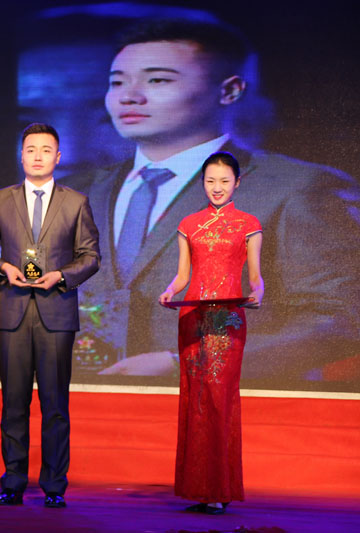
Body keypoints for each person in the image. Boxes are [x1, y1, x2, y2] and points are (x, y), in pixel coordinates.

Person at [63, 18, 360, 380]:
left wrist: (189, 361)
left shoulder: (296, 186)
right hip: (82, 398)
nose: (129, 96)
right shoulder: (74, 191)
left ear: (229, 91)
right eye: (117, 82)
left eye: (158, 80)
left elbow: (341, 319)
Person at [0, 124, 100, 508]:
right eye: (31, 149)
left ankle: (54, 486)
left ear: (58, 157)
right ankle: (12, 483)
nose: (38, 156)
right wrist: (3, 268)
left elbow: (91, 256)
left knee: (55, 404)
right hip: (12, 310)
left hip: (56, 312)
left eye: (46, 150)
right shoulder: (1, 200)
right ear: (22, 155)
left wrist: (61, 275)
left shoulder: (76, 202)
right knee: (13, 403)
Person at [158, 151, 263, 514]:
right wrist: (170, 291)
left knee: (220, 397)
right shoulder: (189, 224)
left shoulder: (248, 224)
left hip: (227, 318)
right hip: (193, 316)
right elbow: (183, 275)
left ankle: (220, 488)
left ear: (237, 182)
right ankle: (200, 490)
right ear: (202, 183)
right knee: (196, 399)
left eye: (224, 181)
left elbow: (255, 276)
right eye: (210, 181)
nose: (217, 188)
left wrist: (258, 293)